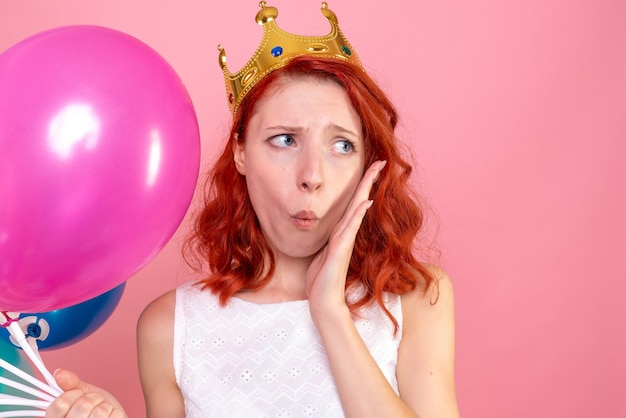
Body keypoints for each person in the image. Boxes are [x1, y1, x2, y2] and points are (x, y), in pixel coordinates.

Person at [46, 2, 459, 417]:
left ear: (368, 162)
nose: (311, 175)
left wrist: (330, 313)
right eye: (284, 140)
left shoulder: (415, 298)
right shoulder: (171, 326)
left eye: (341, 145)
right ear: (241, 153)